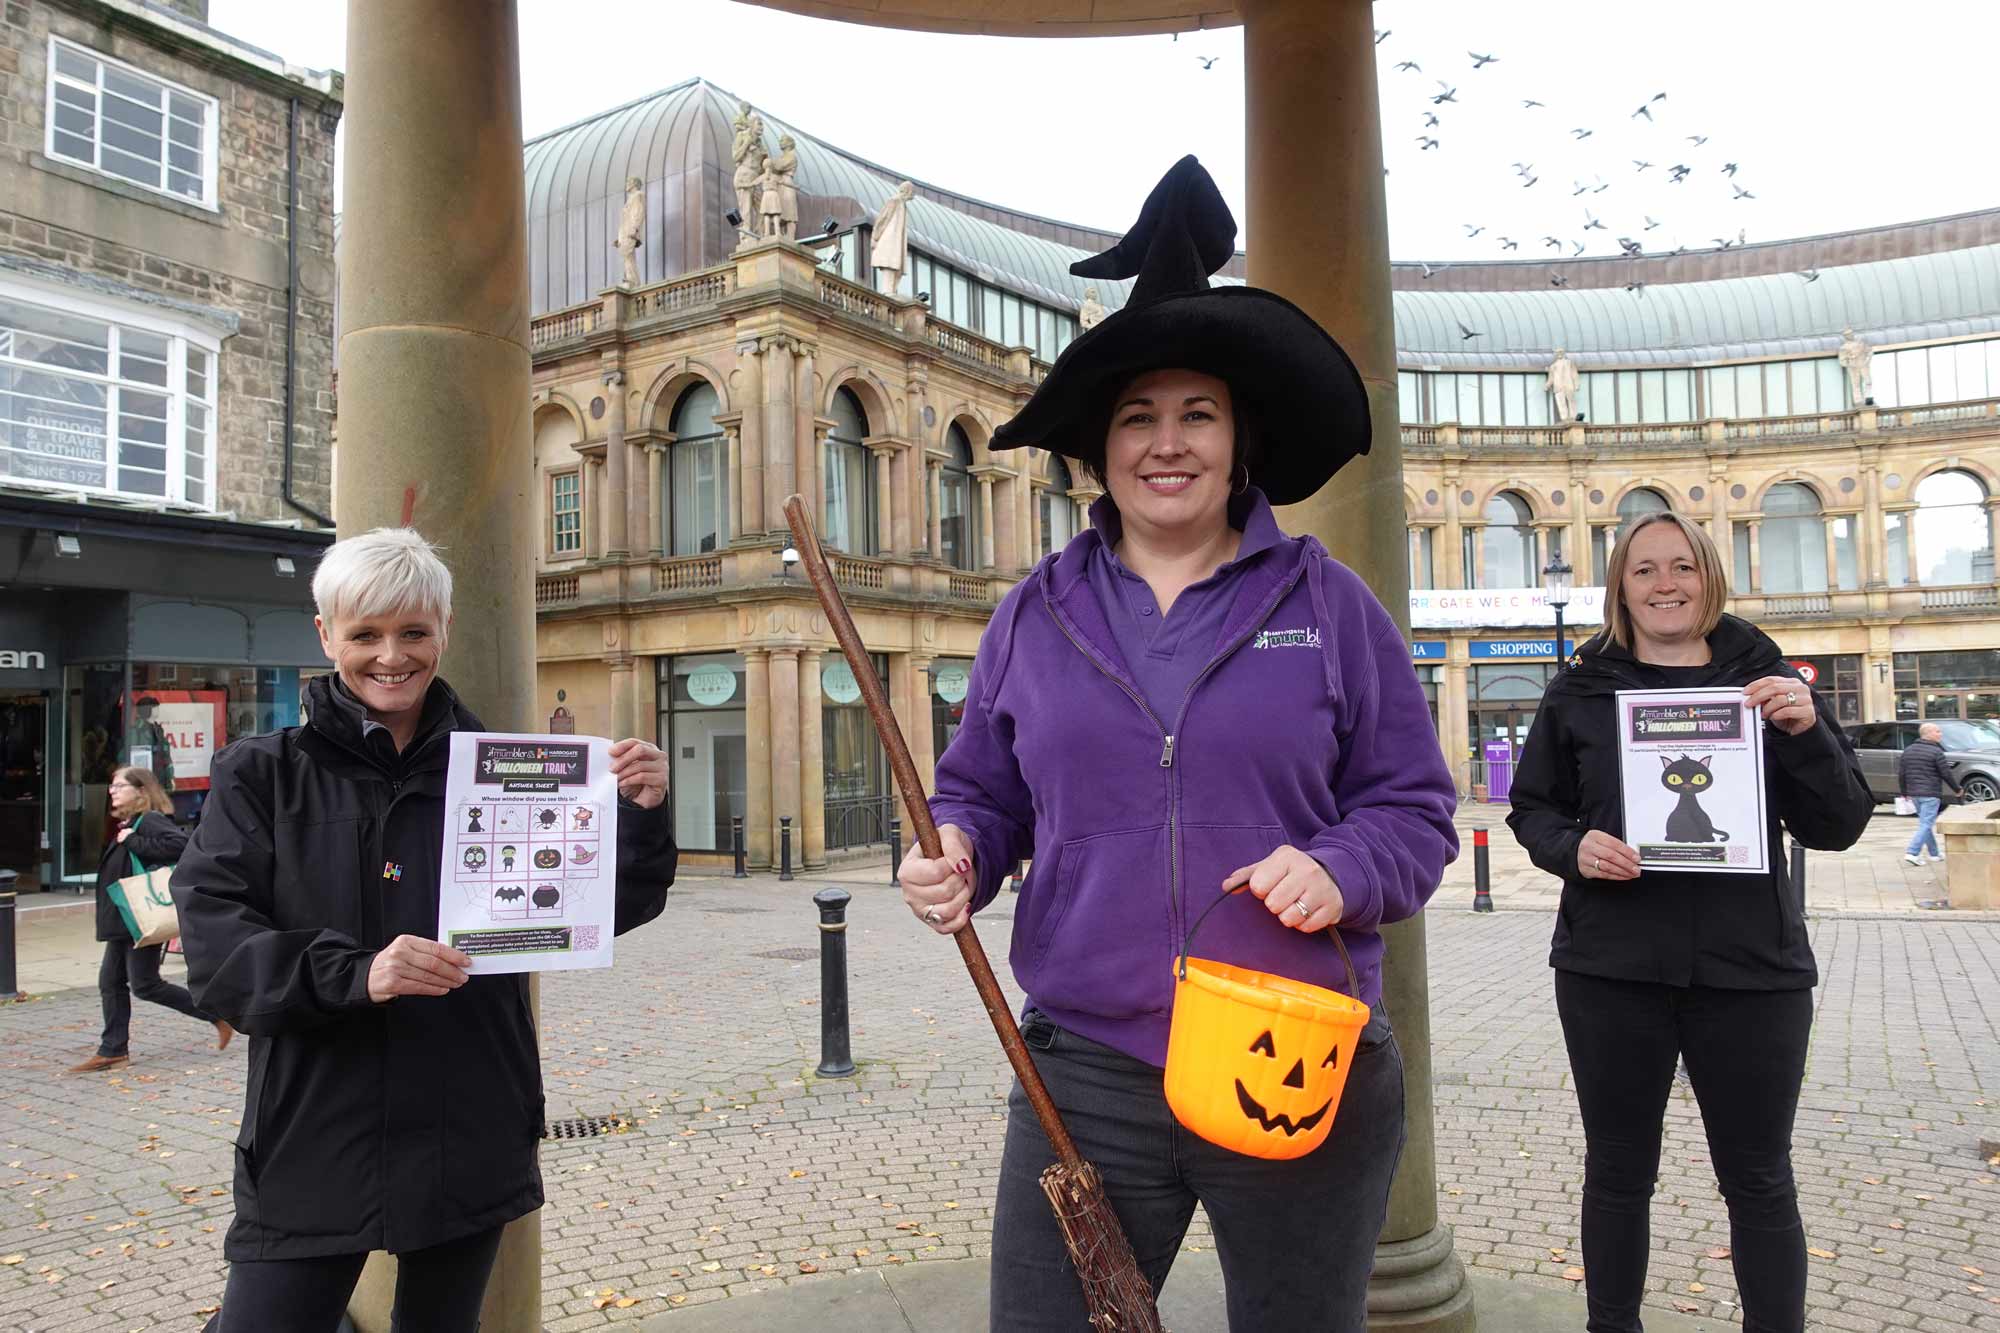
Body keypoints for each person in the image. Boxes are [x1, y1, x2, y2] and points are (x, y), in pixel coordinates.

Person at [898, 157, 1457, 1331]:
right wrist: (955, 848)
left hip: (1289, 1051)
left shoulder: (1331, 603)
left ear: (1237, 439)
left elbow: (1411, 810)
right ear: (1097, 450)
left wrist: (1339, 867)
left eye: (1195, 413)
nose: (1166, 442)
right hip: (1086, 1071)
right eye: (1135, 417)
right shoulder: (1030, 614)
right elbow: (983, 796)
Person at [173, 528, 679, 1333]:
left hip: (466, 1118)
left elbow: (595, 910)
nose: (390, 655)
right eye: (365, 633)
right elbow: (217, 950)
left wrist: (643, 817)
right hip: (314, 1127)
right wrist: (356, 972)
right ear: (325, 635)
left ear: (443, 631)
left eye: (413, 631)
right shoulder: (262, 773)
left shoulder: (502, 773)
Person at [1508, 511, 1873, 1333]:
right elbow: (1532, 809)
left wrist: (1807, 730)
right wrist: (1574, 847)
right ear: (1620, 588)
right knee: (1617, 1172)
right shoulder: (1579, 689)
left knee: (1758, 1177)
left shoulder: (1770, 684)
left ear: (1710, 577)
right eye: (1644, 570)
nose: (1665, 584)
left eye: (1682, 567)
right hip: (1612, 970)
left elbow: (1840, 824)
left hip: (1751, 973)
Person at [68, 765, 229, 1074]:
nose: (112, 790)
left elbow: (182, 847)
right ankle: (113, 1050)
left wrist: (132, 841)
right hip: (125, 920)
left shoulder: (149, 821)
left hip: (139, 919)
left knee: (144, 984)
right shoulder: (129, 824)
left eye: (119, 786)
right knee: (112, 981)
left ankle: (215, 1013)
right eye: (112, 786)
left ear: (141, 791)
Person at [1898, 721, 1960, 865]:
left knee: (1924, 823)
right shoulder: (1936, 751)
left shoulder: (1908, 750)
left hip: (1914, 794)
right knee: (1926, 824)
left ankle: (1934, 853)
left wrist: (1904, 792)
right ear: (1928, 734)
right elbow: (1946, 773)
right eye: (1937, 731)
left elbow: (1902, 773)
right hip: (1930, 793)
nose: (1940, 734)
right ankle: (1912, 852)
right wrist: (1957, 789)